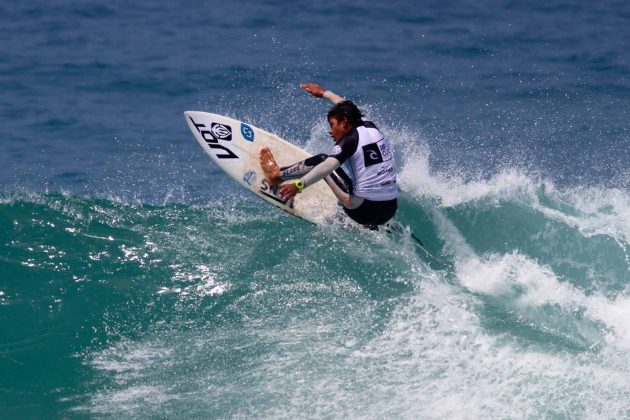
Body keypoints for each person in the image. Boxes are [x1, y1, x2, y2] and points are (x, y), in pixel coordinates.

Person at [259, 83, 398, 227]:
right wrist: (324, 93)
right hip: (389, 210)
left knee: (321, 160)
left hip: (362, 211)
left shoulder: (350, 140)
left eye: (332, 125)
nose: (330, 131)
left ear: (344, 122)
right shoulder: (369, 125)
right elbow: (347, 106)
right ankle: (370, 225)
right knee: (363, 181)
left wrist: (298, 185)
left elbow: (327, 167)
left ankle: (276, 175)